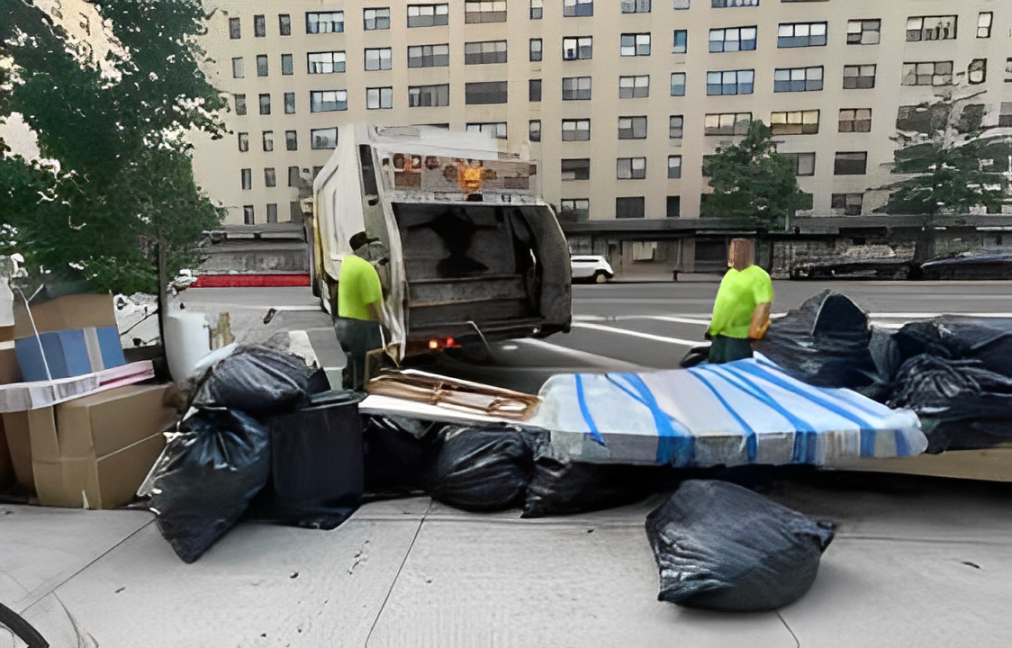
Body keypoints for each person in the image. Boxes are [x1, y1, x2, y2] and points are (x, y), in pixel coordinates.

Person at [704, 238, 774, 364]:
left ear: (746, 255)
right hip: (720, 335)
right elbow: (722, 304)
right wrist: (713, 329)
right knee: (715, 371)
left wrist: (754, 335)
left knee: (735, 371)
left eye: (737, 252)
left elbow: (763, 306)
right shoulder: (730, 274)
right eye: (731, 252)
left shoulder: (759, 276)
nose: (732, 256)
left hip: (740, 337)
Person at [336, 231, 387, 389]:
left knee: (354, 362)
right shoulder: (366, 270)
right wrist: (382, 323)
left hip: (344, 322)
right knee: (369, 364)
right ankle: (362, 395)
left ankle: (349, 390)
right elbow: (372, 302)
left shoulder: (348, 263)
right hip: (362, 325)